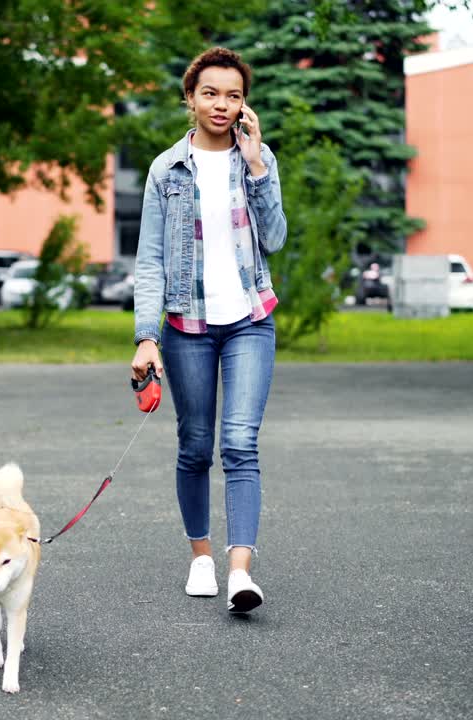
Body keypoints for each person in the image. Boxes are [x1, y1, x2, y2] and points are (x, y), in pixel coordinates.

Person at [130, 46, 287, 614]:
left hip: (250, 321)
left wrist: (259, 168)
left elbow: (274, 238)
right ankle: (201, 557)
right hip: (185, 326)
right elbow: (150, 261)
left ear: (245, 104)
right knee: (195, 447)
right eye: (211, 93)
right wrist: (146, 335)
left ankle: (240, 572)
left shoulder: (257, 158)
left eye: (234, 95)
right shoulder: (165, 170)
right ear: (190, 98)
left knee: (239, 444)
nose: (223, 104)